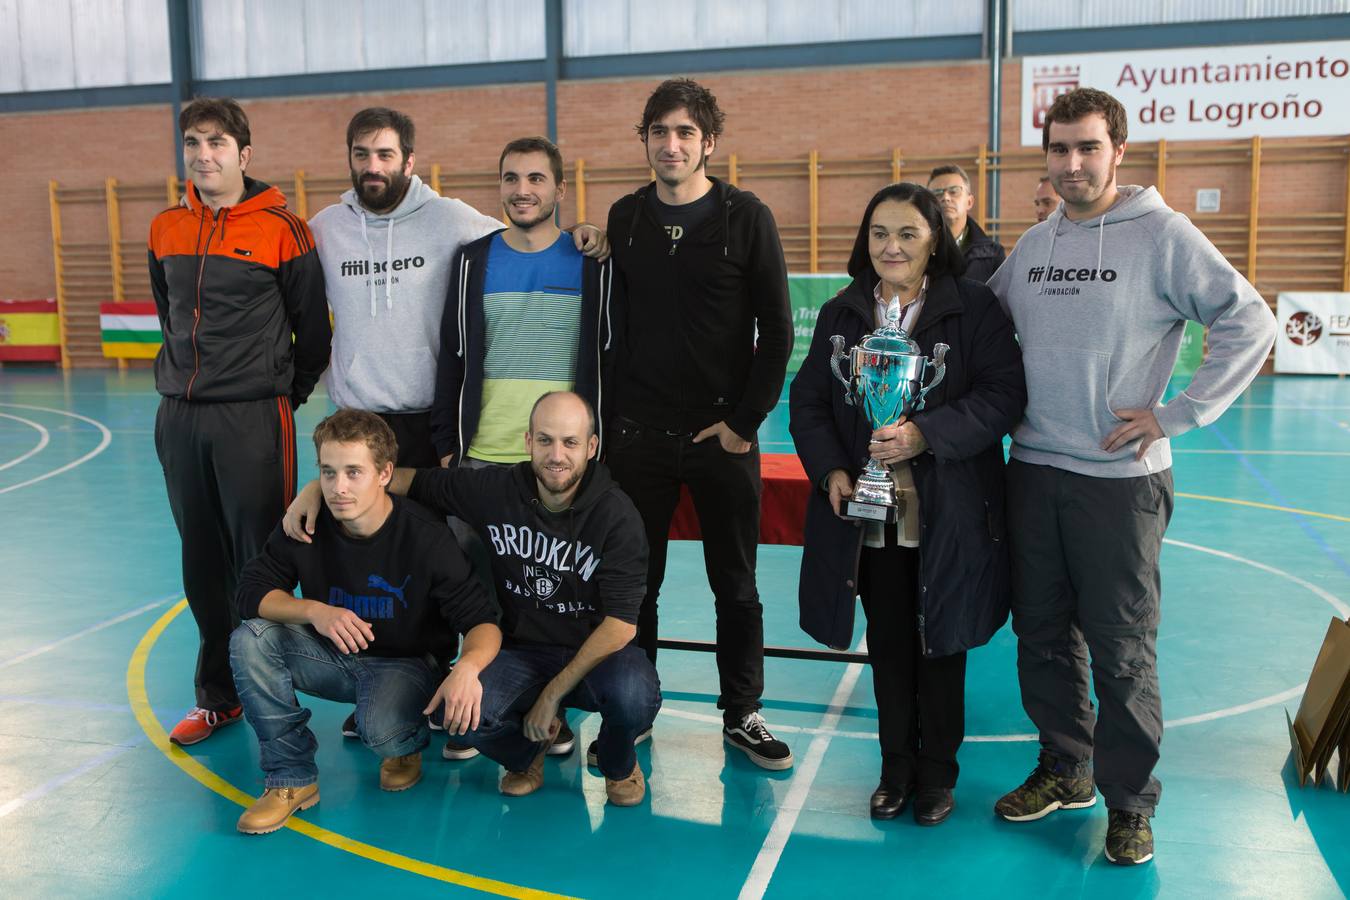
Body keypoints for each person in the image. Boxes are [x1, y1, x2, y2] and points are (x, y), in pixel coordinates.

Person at [986, 87, 1277, 865]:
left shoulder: (1161, 234)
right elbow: (982, 323)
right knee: (1043, 637)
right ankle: (1065, 768)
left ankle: (1130, 802)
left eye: (1087, 148)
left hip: (1120, 484)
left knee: (1120, 649)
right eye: (1059, 149)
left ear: (1119, 150)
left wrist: (1176, 413)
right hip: (1034, 472)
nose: (1072, 164)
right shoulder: (1036, 245)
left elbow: (1249, 318)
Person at [285, 392, 660, 806]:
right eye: (545, 440)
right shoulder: (497, 489)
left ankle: (619, 765)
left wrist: (551, 697)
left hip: (594, 654)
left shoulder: (616, 515)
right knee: (461, 717)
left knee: (635, 695)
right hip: (522, 650)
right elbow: (405, 479)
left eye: (570, 442)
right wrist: (319, 488)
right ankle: (524, 755)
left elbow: (621, 625)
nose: (557, 455)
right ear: (528, 441)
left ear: (591, 446)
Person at [789, 183, 1025, 826]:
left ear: (934, 242)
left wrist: (926, 434)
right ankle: (895, 769)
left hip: (944, 518)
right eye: (879, 234)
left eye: (908, 235)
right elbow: (809, 402)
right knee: (889, 647)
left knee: (941, 649)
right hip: (870, 523)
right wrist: (832, 469)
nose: (891, 247)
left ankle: (937, 777)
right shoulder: (843, 313)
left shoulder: (974, 309)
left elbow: (1004, 396)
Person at [604, 78, 795, 770]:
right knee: (636, 586)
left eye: (685, 132)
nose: (672, 144)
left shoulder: (748, 217)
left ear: (709, 142)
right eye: (659, 132)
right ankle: (636, 707)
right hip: (638, 441)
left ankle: (742, 712)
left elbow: (776, 332)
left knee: (735, 586)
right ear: (646, 141)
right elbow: (610, 331)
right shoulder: (624, 219)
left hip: (722, 441)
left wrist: (745, 423)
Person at [148, 97, 331, 747]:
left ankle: (271, 698)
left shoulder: (286, 228)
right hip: (179, 419)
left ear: (243, 154)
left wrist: (284, 397)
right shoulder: (165, 227)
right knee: (201, 563)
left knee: (261, 562)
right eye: (194, 143)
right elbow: (169, 312)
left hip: (254, 418)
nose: (205, 154)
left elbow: (313, 333)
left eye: (218, 143)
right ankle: (218, 696)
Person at [230, 410, 501, 834]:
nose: (338, 488)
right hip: (333, 656)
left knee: (381, 731)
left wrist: (467, 667)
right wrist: (315, 611)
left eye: (354, 472)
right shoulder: (307, 523)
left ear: (384, 473)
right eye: (328, 472)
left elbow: (482, 619)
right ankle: (291, 779)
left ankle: (404, 744)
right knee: (251, 640)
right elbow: (249, 592)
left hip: (407, 664)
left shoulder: (424, 536)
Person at [311, 110, 609, 467]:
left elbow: (524, 233)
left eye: (385, 155)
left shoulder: (449, 218)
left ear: (408, 163)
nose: (372, 166)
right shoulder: (324, 230)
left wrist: (585, 230)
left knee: (424, 521)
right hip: (354, 415)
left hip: (427, 417)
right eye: (361, 154)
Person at [430, 136, 614, 467]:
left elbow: (610, 361)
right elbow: (451, 356)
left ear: (560, 190)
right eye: (511, 178)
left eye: (536, 178)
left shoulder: (592, 264)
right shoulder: (472, 261)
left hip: (561, 460)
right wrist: (447, 447)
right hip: (479, 457)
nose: (521, 190)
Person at [926, 164, 1006, 282]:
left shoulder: (993, 254)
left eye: (954, 191)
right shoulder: (918, 250)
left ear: (969, 202)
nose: (946, 197)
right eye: (937, 193)